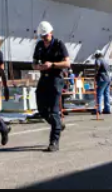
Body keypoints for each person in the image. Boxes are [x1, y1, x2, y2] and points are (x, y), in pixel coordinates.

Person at [33, 21, 71, 153]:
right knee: (41, 109)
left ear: (51, 33)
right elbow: (34, 63)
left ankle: (54, 142)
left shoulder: (59, 44)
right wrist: (38, 66)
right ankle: (58, 125)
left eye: (46, 36)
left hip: (56, 79)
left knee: (54, 111)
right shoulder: (39, 46)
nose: (44, 38)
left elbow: (67, 63)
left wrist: (52, 65)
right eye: (42, 36)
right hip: (44, 79)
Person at [94, 51, 112, 116]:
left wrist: (96, 73)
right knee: (106, 94)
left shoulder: (98, 60)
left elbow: (98, 65)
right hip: (108, 78)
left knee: (99, 94)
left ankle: (98, 110)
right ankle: (107, 109)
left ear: (97, 55)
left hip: (102, 78)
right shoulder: (106, 61)